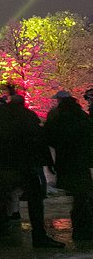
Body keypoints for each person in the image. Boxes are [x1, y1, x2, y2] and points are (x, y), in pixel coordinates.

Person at [0, 93, 64, 248]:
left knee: (1, 200)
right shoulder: (27, 118)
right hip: (24, 167)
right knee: (35, 200)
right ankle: (39, 235)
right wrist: (48, 163)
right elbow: (39, 141)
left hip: (3, 167)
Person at [44, 91, 93, 241]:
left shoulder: (57, 118)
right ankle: (84, 225)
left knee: (77, 193)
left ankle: (80, 224)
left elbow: (49, 138)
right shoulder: (82, 117)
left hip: (65, 161)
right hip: (81, 160)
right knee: (83, 193)